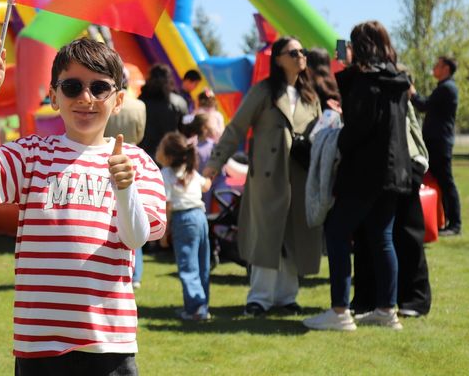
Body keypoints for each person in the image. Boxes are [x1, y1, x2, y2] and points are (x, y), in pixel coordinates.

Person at [0, 38, 167, 374]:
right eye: (72, 87)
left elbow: (137, 238)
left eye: (100, 88)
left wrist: (124, 187)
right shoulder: (32, 154)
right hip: (39, 342)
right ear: (53, 96)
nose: (85, 98)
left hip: (108, 341)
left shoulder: (137, 162)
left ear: (118, 101)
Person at [303, 20, 412, 332]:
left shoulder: (366, 82)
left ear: (358, 46)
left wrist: (337, 142)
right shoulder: (397, 80)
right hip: (394, 170)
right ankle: (386, 310)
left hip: (365, 170)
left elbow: (359, 128)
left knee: (337, 231)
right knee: (383, 237)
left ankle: (340, 310)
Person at [203, 37, 322, 317]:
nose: (301, 56)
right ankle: (259, 298)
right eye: (294, 52)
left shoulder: (310, 97)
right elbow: (235, 129)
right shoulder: (263, 91)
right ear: (278, 58)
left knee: (295, 237)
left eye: (303, 52)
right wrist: (215, 163)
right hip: (268, 179)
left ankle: (286, 297)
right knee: (266, 237)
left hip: (300, 178)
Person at [352, 98, 433, 318]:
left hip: (401, 159)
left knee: (403, 232)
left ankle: (411, 298)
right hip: (388, 159)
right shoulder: (378, 82)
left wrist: (419, 157)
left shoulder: (391, 82)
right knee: (376, 234)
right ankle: (372, 298)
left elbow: (410, 122)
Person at [157, 132, 212, 321]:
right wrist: (210, 174)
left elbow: (168, 204)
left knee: (188, 266)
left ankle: (196, 309)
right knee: (202, 264)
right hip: (200, 217)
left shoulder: (165, 174)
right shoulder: (191, 172)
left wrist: (164, 232)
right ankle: (201, 306)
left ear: (169, 156)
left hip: (184, 220)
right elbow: (206, 186)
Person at [105, 67, 148, 289]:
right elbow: (140, 133)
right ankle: (136, 274)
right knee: (132, 211)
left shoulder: (105, 103)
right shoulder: (139, 106)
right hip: (132, 158)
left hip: (106, 158)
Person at [411, 56, 461, 236]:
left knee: (446, 182)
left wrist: (412, 92)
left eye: (438, 65)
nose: (434, 68)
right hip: (437, 142)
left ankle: (455, 224)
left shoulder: (447, 88)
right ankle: (444, 220)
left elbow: (423, 105)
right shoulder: (444, 88)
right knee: (440, 182)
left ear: (446, 68)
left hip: (440, 143)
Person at [138, 64, 188, 161]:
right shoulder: (179, 103)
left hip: (142, 154)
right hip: (169, 156)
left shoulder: (141, 100)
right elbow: (184, 131)